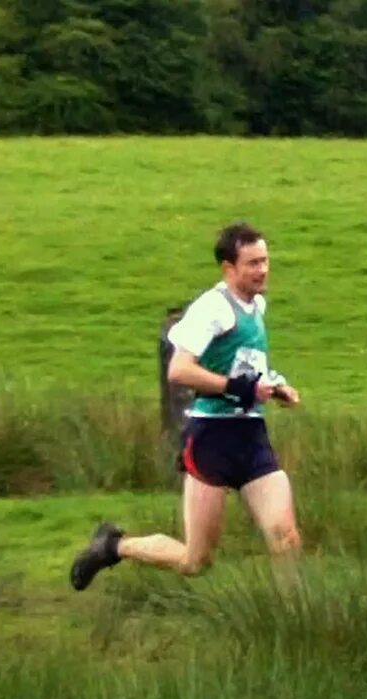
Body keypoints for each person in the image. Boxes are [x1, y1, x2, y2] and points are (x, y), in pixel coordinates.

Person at [69, 222, 303, 591]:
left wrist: (274, 386)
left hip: (252, 436)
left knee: (286, 539)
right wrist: (238, 388)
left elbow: (246, 365)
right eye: (253, 264)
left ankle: (294, 623)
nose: (263, 270)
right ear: (228, 268)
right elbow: (179, 371)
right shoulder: (212, 308)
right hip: (212, 438)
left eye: (266, 261)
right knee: (196, 561)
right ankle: (113, 546)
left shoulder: (256, 304)